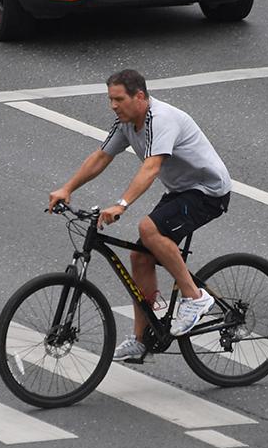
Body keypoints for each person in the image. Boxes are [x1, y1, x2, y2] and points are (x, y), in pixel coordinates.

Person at [47, 69, 233, 361]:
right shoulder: (126, 123)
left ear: (140, 96)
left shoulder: (162, 120)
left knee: (148, 229)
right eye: (110, 99)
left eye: (119, 99)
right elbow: (101, 157)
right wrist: (67, 188)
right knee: (139, 257)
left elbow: (151, 167)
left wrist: (121, 204)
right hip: (181, 190)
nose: (113, 105)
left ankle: (195, 298)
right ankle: (141, 340)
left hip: (208, 190)